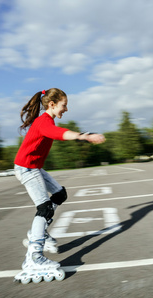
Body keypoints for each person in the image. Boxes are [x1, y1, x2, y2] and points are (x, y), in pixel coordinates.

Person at [13, 88, 105, 281]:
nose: (66, 109)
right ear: (52, 104)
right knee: (45, 208)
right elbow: (58, 133)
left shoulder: (47, 120)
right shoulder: (44, 122)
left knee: (59, 194)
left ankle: (37, 231)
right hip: (27, 168)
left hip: (34, 167)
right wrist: (84, 135)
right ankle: (34, 257)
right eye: (64, 105)